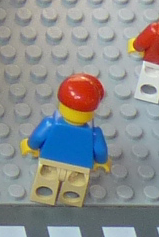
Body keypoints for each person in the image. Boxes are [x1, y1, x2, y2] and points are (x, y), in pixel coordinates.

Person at [21, 73, 109, 206]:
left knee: (46, 181)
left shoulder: (51, 123)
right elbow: (100, 150)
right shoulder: (94, 133)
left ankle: (44, 196)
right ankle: (70, 199)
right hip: (80, 166)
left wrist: (30, 146)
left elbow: (38, 137)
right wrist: (102, 162)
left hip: (49, 159)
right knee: (75, 187)